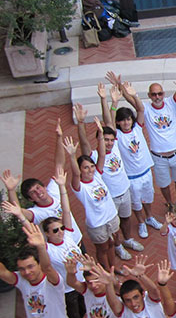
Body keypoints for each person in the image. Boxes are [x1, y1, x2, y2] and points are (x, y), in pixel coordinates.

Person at [2, 168, 87, 318]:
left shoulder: (68, 236)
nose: (60, 231)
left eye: (61, 228)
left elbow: (66, 209)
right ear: (46, 234)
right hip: (67, 290)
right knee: (74, 315)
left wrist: (62, 187)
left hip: (81, 281)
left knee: (86, 308)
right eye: (55, 230)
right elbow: (23, 218)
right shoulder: (47, 248)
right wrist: (13, 195)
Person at [108, 59, 176, 203]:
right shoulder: (145, 109)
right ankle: (169, 203)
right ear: (149, 95)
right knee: (164, 185)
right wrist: (119, 85)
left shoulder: (170, 102)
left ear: (163, 94)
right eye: (154, 94)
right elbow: (130, 99)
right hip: (159, 157)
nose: (157, 97)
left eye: (160, 94)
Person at [76, 106, 144, 260]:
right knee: (115, 227)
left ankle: (128, 240)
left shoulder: (116, 148)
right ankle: (118, 246)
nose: (109, 143)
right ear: (100, 140)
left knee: (126, 218)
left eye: (111, 140)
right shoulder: (94, 156)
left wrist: (110, 103)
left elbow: (110, 122)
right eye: (105, 140)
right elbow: (84, 144)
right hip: (110, 198)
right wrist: (81, 123)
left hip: (124, 190)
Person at [3, 119, 83, 246]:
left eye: (38, 188)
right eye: (33, 193)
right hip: (62, 250)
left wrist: (59, 137)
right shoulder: (37, 213)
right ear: (30, 199)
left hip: (77, 239)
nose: (38, 192)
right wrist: (11, 190)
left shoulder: (54, 189)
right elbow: (18, 210)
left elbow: (59, 164)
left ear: (44, 186)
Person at [103, 82, 162, 239]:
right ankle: (141, 221)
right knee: (136, 202)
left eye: (128, 119)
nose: (126, 122)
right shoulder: (117, 136)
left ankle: (149, 217)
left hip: (145, 171)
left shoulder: (137, 128)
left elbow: (141, 109)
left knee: (148, 197)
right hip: (131, 177)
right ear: (118, 123)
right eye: (122, 120)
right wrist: (114, 102)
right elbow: (108, 121)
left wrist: (133, 94)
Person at [63, 134, 119, 272]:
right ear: (80, 169)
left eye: (92, 166)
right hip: (97, 223)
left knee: (112, 243)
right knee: (102, 248)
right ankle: (105, 270)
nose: (90, 170)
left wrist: (100, 136)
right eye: (86, 168)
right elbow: (75, 174)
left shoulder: (97, 176)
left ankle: (113, 268)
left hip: (111, 217)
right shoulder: (79, 187)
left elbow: (101, 156)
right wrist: (71, 156)